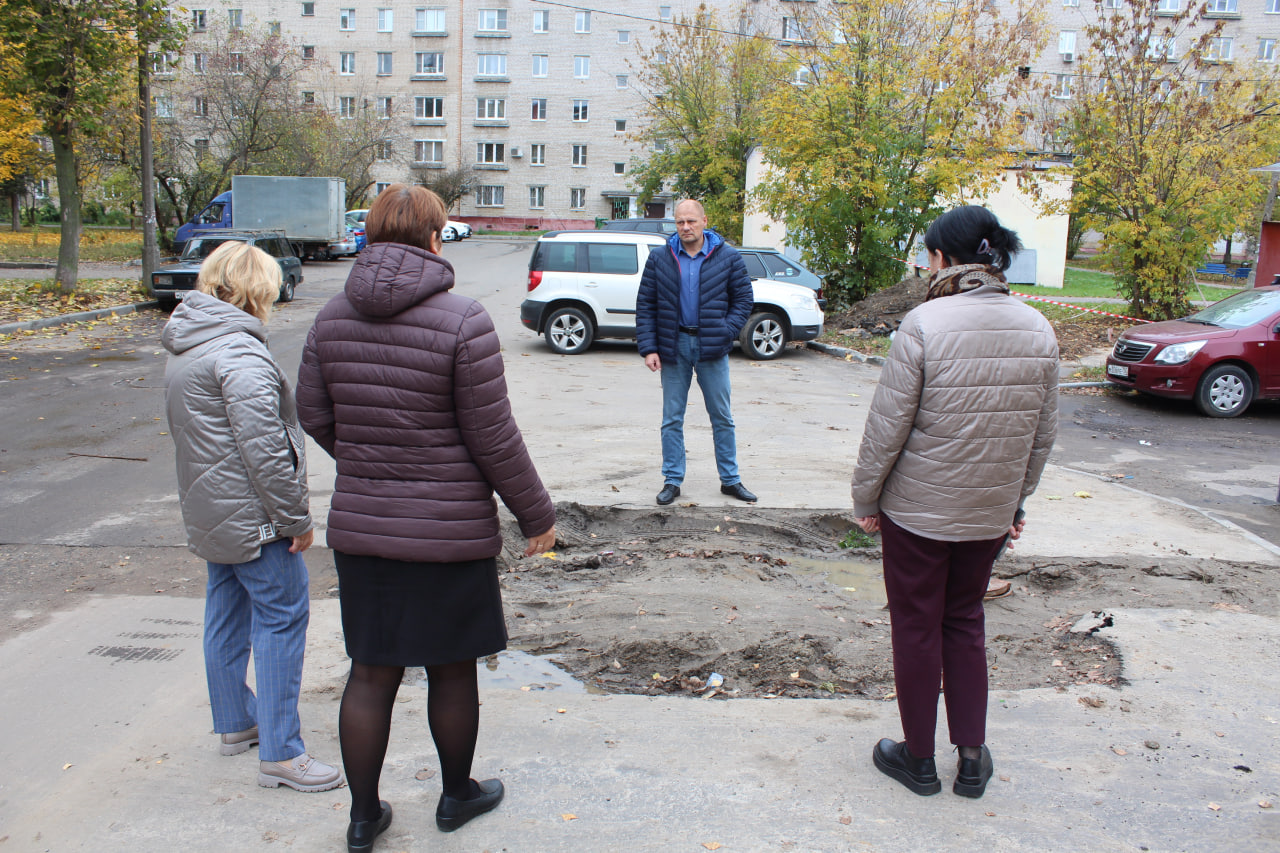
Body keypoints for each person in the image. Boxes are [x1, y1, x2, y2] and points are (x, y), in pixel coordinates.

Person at [296, 184, 556, 853]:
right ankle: (455, 795)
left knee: (371, 670)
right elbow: (493, 437)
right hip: (448, 532)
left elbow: (314, 412)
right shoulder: (463, 319)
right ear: (436, 237)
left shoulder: (329, 318)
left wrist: (366, 459)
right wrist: (535, 514)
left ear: (373, 235)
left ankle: (362, 818)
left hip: (365, 529)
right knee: (450, 666)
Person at [850, 205, 1059, 799]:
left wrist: (867, 499)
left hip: (917, 514)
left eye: (928, 254)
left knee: (916, 629)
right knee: (965, 623)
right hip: (989, 513)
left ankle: (917, 760)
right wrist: (1015, 504)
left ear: (944, 259)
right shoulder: (1038, 327)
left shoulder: (924, 323)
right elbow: (1042, 436)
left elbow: (886, 428)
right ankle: (972, 758)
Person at [162, 241, 343, 794]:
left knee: (225, 613)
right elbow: (266, 450)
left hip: (212, 510)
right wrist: (296, 521)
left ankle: (237, 723)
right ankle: (283, 753)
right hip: (256, 518)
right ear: (254, 289)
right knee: (282, 618)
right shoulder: (238, 353)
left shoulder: (188, 344)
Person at [636, 198, 757, 507]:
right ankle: (672, 480)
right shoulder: (660, 258)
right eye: (680, 222)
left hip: (712, 348)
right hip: (673, 346)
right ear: (674, 224)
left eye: (691, 221)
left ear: (705, 220)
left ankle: (730, 480)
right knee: (671, 418)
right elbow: (646, 305)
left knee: (722, 417)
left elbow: (743, 299)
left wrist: (727, 330)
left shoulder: (727, 257)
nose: (686, 227)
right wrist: (649, 347)